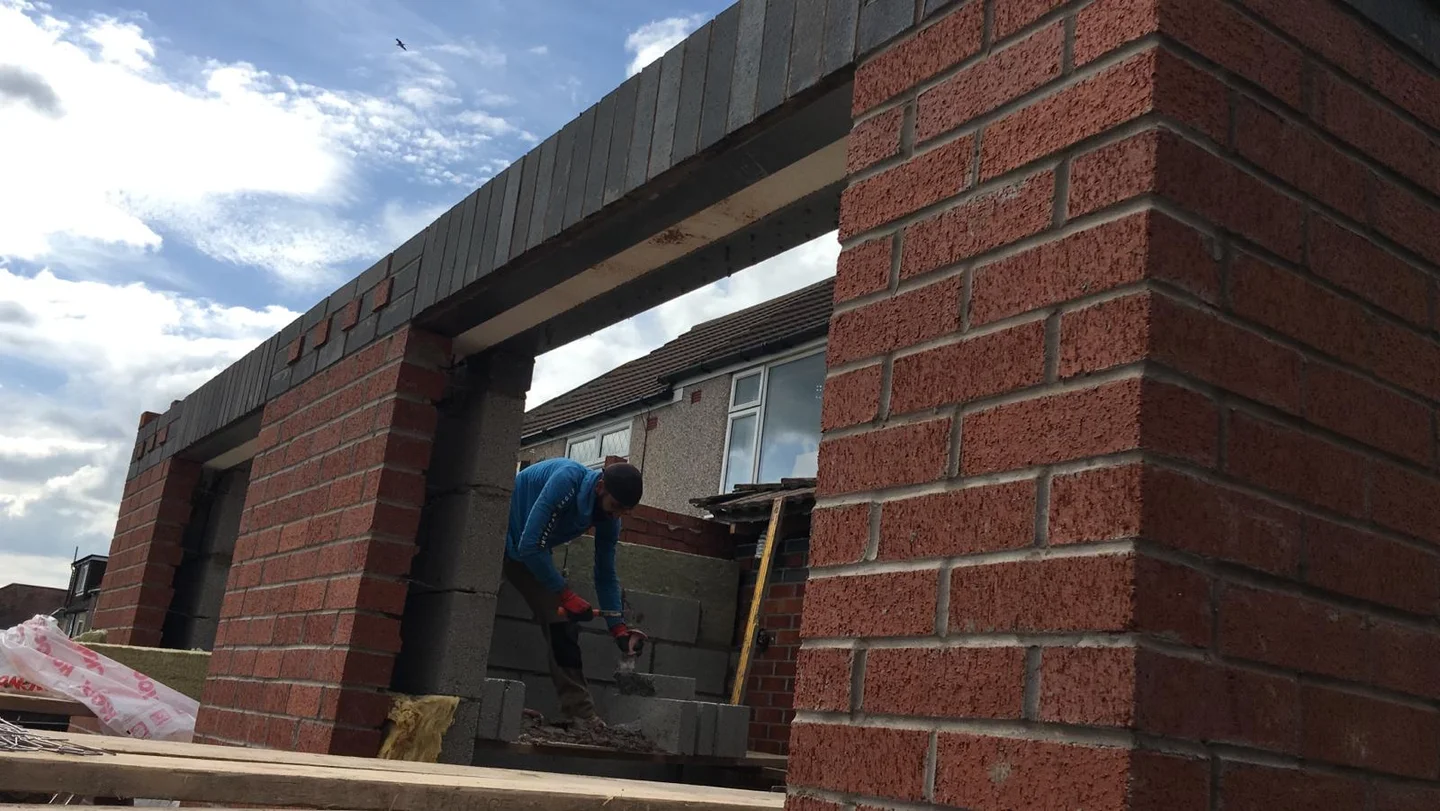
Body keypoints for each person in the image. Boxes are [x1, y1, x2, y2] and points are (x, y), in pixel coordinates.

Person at [502, 457, 646, 724]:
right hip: (502, 533)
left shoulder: (609, 517)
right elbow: (531, 545)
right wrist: (565, 594)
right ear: (600, 486)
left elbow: (605, 574)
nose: (616, 516)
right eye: (615, 507)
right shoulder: (567, 480)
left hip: (526, 550)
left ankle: (578, 714)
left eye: (623, 512)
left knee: (562, 623)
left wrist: (619, 629)